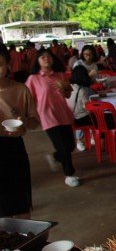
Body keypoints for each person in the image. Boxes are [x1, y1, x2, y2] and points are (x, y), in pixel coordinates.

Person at [26, 49, 80, 187]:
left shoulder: (60, 75)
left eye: (48, 56)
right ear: (37, 61)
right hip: (47, 116)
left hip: (63, 114)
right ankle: (69, 174)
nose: (46, 59)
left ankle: (55, 157)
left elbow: (68, 95)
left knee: (70, 146)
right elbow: (28, 99)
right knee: (63, 146)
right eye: (42, 57)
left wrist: (64, 88)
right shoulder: (34, 79)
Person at [0, 48, 40, 219]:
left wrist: (23, 120)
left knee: (20, 203)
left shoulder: (20, 90)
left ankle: (24, 241)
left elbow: (34, 123)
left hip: (13, 150)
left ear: (8, 65)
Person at [68, 65, 95, 151]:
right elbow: (87, 107)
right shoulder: (82, 90)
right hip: (82, 119)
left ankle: (80, 140)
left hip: (71, 119)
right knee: (97, 116)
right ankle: (93, 136)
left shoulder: (69, 87)